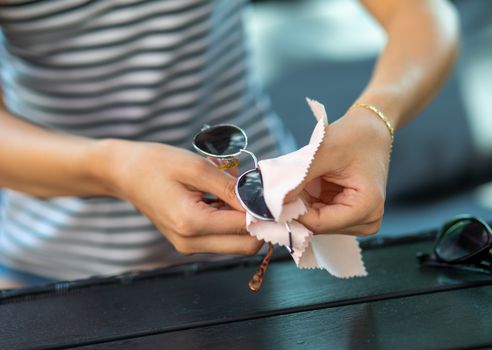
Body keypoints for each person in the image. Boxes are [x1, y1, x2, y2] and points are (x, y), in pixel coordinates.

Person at [0, 0, 459, 282]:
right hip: (54, 270)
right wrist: (112, 168)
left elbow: (421, 12)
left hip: (272, 250)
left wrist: (375, 118)